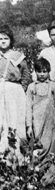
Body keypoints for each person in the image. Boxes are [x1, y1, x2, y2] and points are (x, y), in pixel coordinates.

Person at [26, 58, 55, 169]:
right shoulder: (31, 87)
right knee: (39, 145)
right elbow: (28, 107)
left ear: (49, 71)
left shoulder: (53, 86)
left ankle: (50, 167)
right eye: (39, 71)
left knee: (50, 144)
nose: (42, 74)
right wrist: (28, 125)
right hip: (37, 122)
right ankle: (37, 169)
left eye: (45, 71)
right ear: (35, 72)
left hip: (50, 122)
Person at [0, 25, 31, 153]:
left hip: (14, 91)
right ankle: (3, 151)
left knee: (14, 118)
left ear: (11, 40)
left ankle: (16, 151)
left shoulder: (17, 56)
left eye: (5, 38)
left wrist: (20, 90)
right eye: (0, 38)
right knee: (2, 119)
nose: (2, 41)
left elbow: (26, 74)